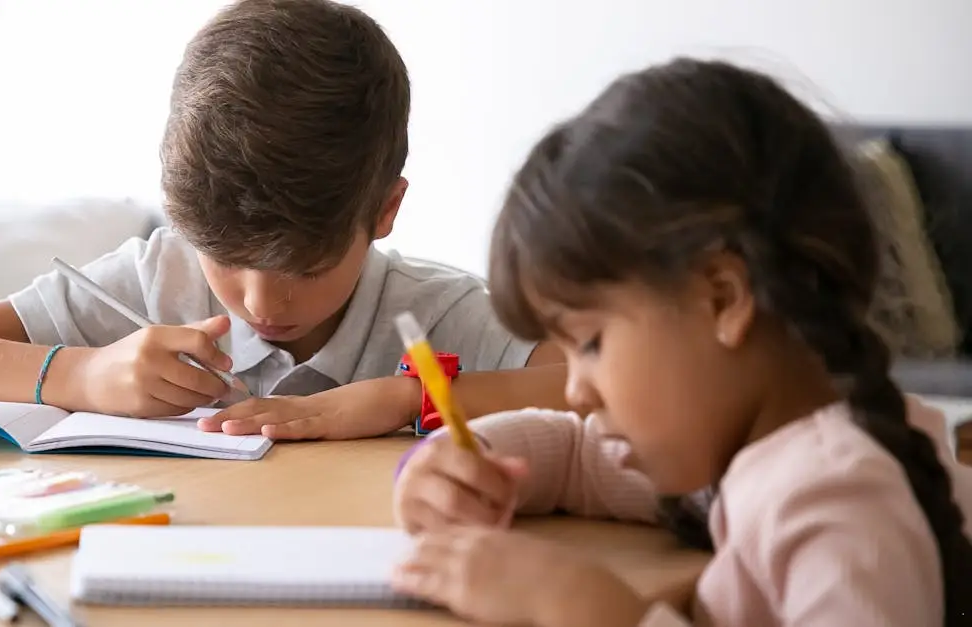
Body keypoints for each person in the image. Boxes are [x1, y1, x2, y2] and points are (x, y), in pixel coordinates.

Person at [389, 57, 972, 626]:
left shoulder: (841, 507)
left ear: (721, 300)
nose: (576, 390)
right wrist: (467, 464)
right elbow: (577, 455)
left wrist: (593, 611)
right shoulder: (740, 449)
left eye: (591, 343)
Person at [0, 0, 565, 440]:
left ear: (385, 211)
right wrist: (83, 373)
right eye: (224, 255)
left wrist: (405, 399)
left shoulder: (439, 312)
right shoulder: (155, 282)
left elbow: (604, 389)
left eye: (306, 267)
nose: (259, 303)